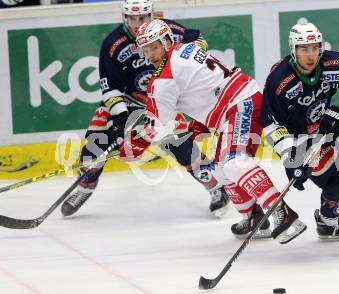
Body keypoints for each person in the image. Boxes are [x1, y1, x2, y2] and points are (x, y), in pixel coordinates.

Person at [119, 19, 309, 244]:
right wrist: (201, 120)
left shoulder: (162, 80)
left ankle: (282, 213)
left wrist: (134, 144)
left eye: (154, 47)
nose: (150, 55)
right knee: (221, 172)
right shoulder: (187, 48)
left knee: (235, 163)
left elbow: (159, 124)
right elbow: (203, 82)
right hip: (234, 105)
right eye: (146, 50)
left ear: (167, 41)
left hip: (240, 103)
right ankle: (254, 217)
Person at [61, 0, 229, 218]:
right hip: (128, 102)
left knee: (181, 145)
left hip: (163, 101)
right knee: (96, 142)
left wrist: (186, 55)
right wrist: (121, 115)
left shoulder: (166, 30)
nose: (137, 23)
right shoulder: (113, 44)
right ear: (125, 17)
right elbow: (109, 85)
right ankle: (85, 188)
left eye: (142, 18)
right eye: (132, 18)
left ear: (151, 15)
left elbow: (198, 39)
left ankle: (215, 187)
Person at [261, 22, 339, 252]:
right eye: (303, 49)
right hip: (297, 142)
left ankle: (328, 221)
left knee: (338, 178)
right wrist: (291, 157)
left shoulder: (335, 64)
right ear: (293, 49)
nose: (310, 54)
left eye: (315, 47)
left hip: (323, 134)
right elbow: (271, 124)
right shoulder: (279, 79)